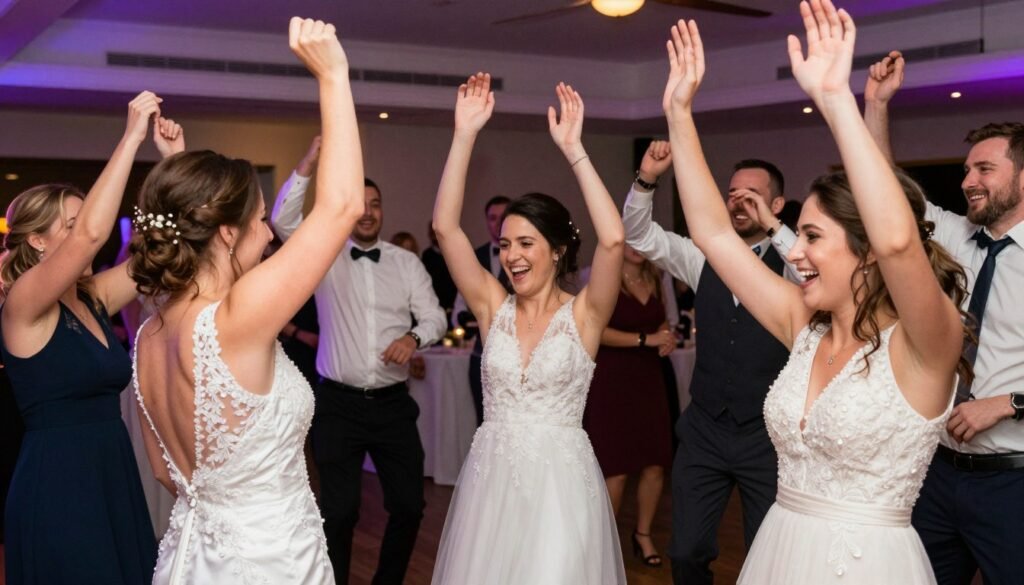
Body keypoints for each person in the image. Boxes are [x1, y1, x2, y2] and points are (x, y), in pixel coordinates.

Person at [662, 2, 971, 582]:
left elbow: (902, 245)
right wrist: (679, 112)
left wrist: (837, 101)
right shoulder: (801, 327)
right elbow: (710, 233)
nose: (794, 252)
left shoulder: (927, 345)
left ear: (868, 248)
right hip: (779, 552)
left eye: (811, 236)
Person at [129, 18, 364, 584]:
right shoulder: (236, 318)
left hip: (194, 553)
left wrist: (176, 168)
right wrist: (334, 75)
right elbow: (340, 208)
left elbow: (165, 468)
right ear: (228, 234)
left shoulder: (149, 333)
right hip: (269, 558)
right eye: (261, 220)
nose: (268, 233)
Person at [430, 73, 627, 584]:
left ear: (557, 249)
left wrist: (574, 150)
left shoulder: (584, 316)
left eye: (526, 243)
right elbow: (445, 229)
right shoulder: (492, 306)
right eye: (505, 245)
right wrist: (463, 135)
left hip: (560, 487)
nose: (511, 256)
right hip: (492, 486)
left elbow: (613, 242)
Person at [864, 50, 1024, 585]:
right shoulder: (956, 237)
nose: (967, 180)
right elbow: (885, 188)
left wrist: (1010, 403)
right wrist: (877, 105)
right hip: (937, 473)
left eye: (984, 169)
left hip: (1014, 483)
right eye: (965, 170)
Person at [0, 92, 163, 584]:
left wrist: (172, 163)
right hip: (58, 483)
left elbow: (157, 256)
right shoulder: (24, 302)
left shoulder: (91, 295)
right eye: (68, 227)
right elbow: (91, 236)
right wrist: (131, 138)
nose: (81, 235)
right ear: (37, 241)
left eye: (79, 224)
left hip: (111, 471)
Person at [625, 140, 798, 583]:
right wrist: (647, 180)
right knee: (685, 552)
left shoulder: (798, 262)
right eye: (733, 194)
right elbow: (640, 235)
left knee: (768, 557)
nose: (738, 203)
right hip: (705, 430)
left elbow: (811, 272)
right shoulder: (703, 257)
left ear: (775, 204)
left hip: (766, 437)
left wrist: (776, 229)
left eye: (751, 196)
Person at [273, 146, 446, 585]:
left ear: (382, 210)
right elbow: (283, 221)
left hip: (392, 406)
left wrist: (413, 338)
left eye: (375, 204)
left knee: (410, 506)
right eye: (360, 204)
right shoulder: (325, 256)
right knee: (339, 512)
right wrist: (307, 165)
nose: (368, 213)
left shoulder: (406, 263)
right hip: (338, 406)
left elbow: (434, 317)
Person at [582, 244, 674, 567]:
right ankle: (600, 541)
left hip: (649, 378)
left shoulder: (656, 278)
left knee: (655, 462)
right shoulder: (604, 280)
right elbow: (594, 330)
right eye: (630, 241)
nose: (637, 249)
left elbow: (662, 324)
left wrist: (665, 337)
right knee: (616, 469)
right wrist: (643, 340)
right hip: (612, 380)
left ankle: (643, 534)